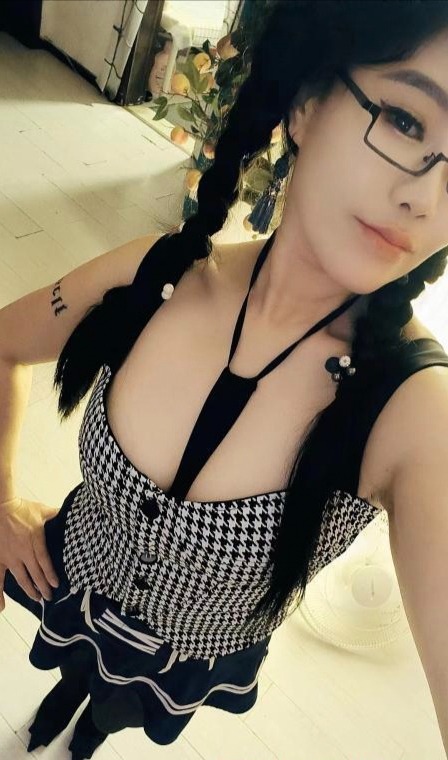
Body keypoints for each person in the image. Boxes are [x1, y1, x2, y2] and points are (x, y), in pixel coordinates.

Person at [1, 1, 448, 757]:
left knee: (114, 714)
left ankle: (89, 736)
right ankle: (61, 708)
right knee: (74, 671)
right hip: (72, 586)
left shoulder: (408, 409)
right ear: (306, 103)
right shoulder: (155, 275)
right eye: (406, 121)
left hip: (187, 655)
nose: (425, 200)